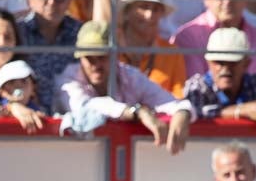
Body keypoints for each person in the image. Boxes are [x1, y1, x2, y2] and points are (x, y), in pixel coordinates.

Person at [55, 20, 193, 153]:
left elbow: (169, 101)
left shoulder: (130, 75)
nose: (96, 65)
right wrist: (137, 112)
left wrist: (182, 113)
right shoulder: (67, 80)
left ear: (115, 56)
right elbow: (86, 106)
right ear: (80, 58)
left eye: (102, 57)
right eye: (89, 58)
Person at [181, 26, 256, 124]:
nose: (225, 69)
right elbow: (195, 113)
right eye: (218, 62)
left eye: (232, 63)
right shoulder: (197, 87)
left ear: (246, 63)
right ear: (208, 63)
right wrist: (248, 110)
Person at [15, 0, 85, 116]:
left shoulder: (82, 33)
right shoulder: (16, 33)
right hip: (30, 119)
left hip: (76, 119)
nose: (52, 1)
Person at [116, 0, 189, 95]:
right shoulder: (112, 48)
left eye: (156, 9)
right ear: (127, 12)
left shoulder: (172, 53)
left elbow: (179, 99)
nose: (150, 15)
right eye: (143, 7)